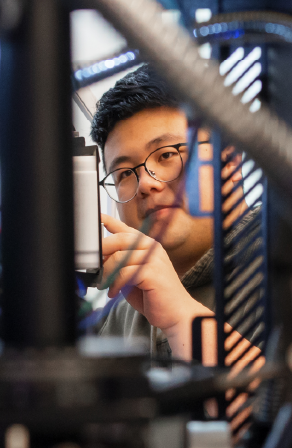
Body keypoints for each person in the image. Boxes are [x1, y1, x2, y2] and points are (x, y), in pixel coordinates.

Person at [90, 64, 263, 374]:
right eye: (124, 173)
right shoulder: (119, 311)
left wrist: (181, 317)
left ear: (230, 161)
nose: (145, 184)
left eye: (167, 155)